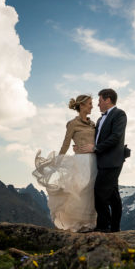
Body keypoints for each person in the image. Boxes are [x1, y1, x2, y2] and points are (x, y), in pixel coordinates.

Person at [32, 94, 98, 232]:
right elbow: (66, 143)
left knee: (91, 190)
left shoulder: (93, 124)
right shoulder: (72, 124)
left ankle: (90, 223)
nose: (92, 106)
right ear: (82, 106)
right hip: (81, 161)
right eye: (90, 103)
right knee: (80, 190)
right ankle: (78, 223)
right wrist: (58, 161)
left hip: (94, 160)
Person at [75, 88, 126, 232]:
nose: (97, 104)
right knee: (114, 197)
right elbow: (93, 138)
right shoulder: (99, 119)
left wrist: (95, 148)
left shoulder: (119, 114)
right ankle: (115, 229)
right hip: (102, 161)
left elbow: (115, 137)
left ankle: (104, 227)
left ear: (108, 99)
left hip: (112, 162)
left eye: (100, 101)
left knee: (99, 194)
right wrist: (80, 146)